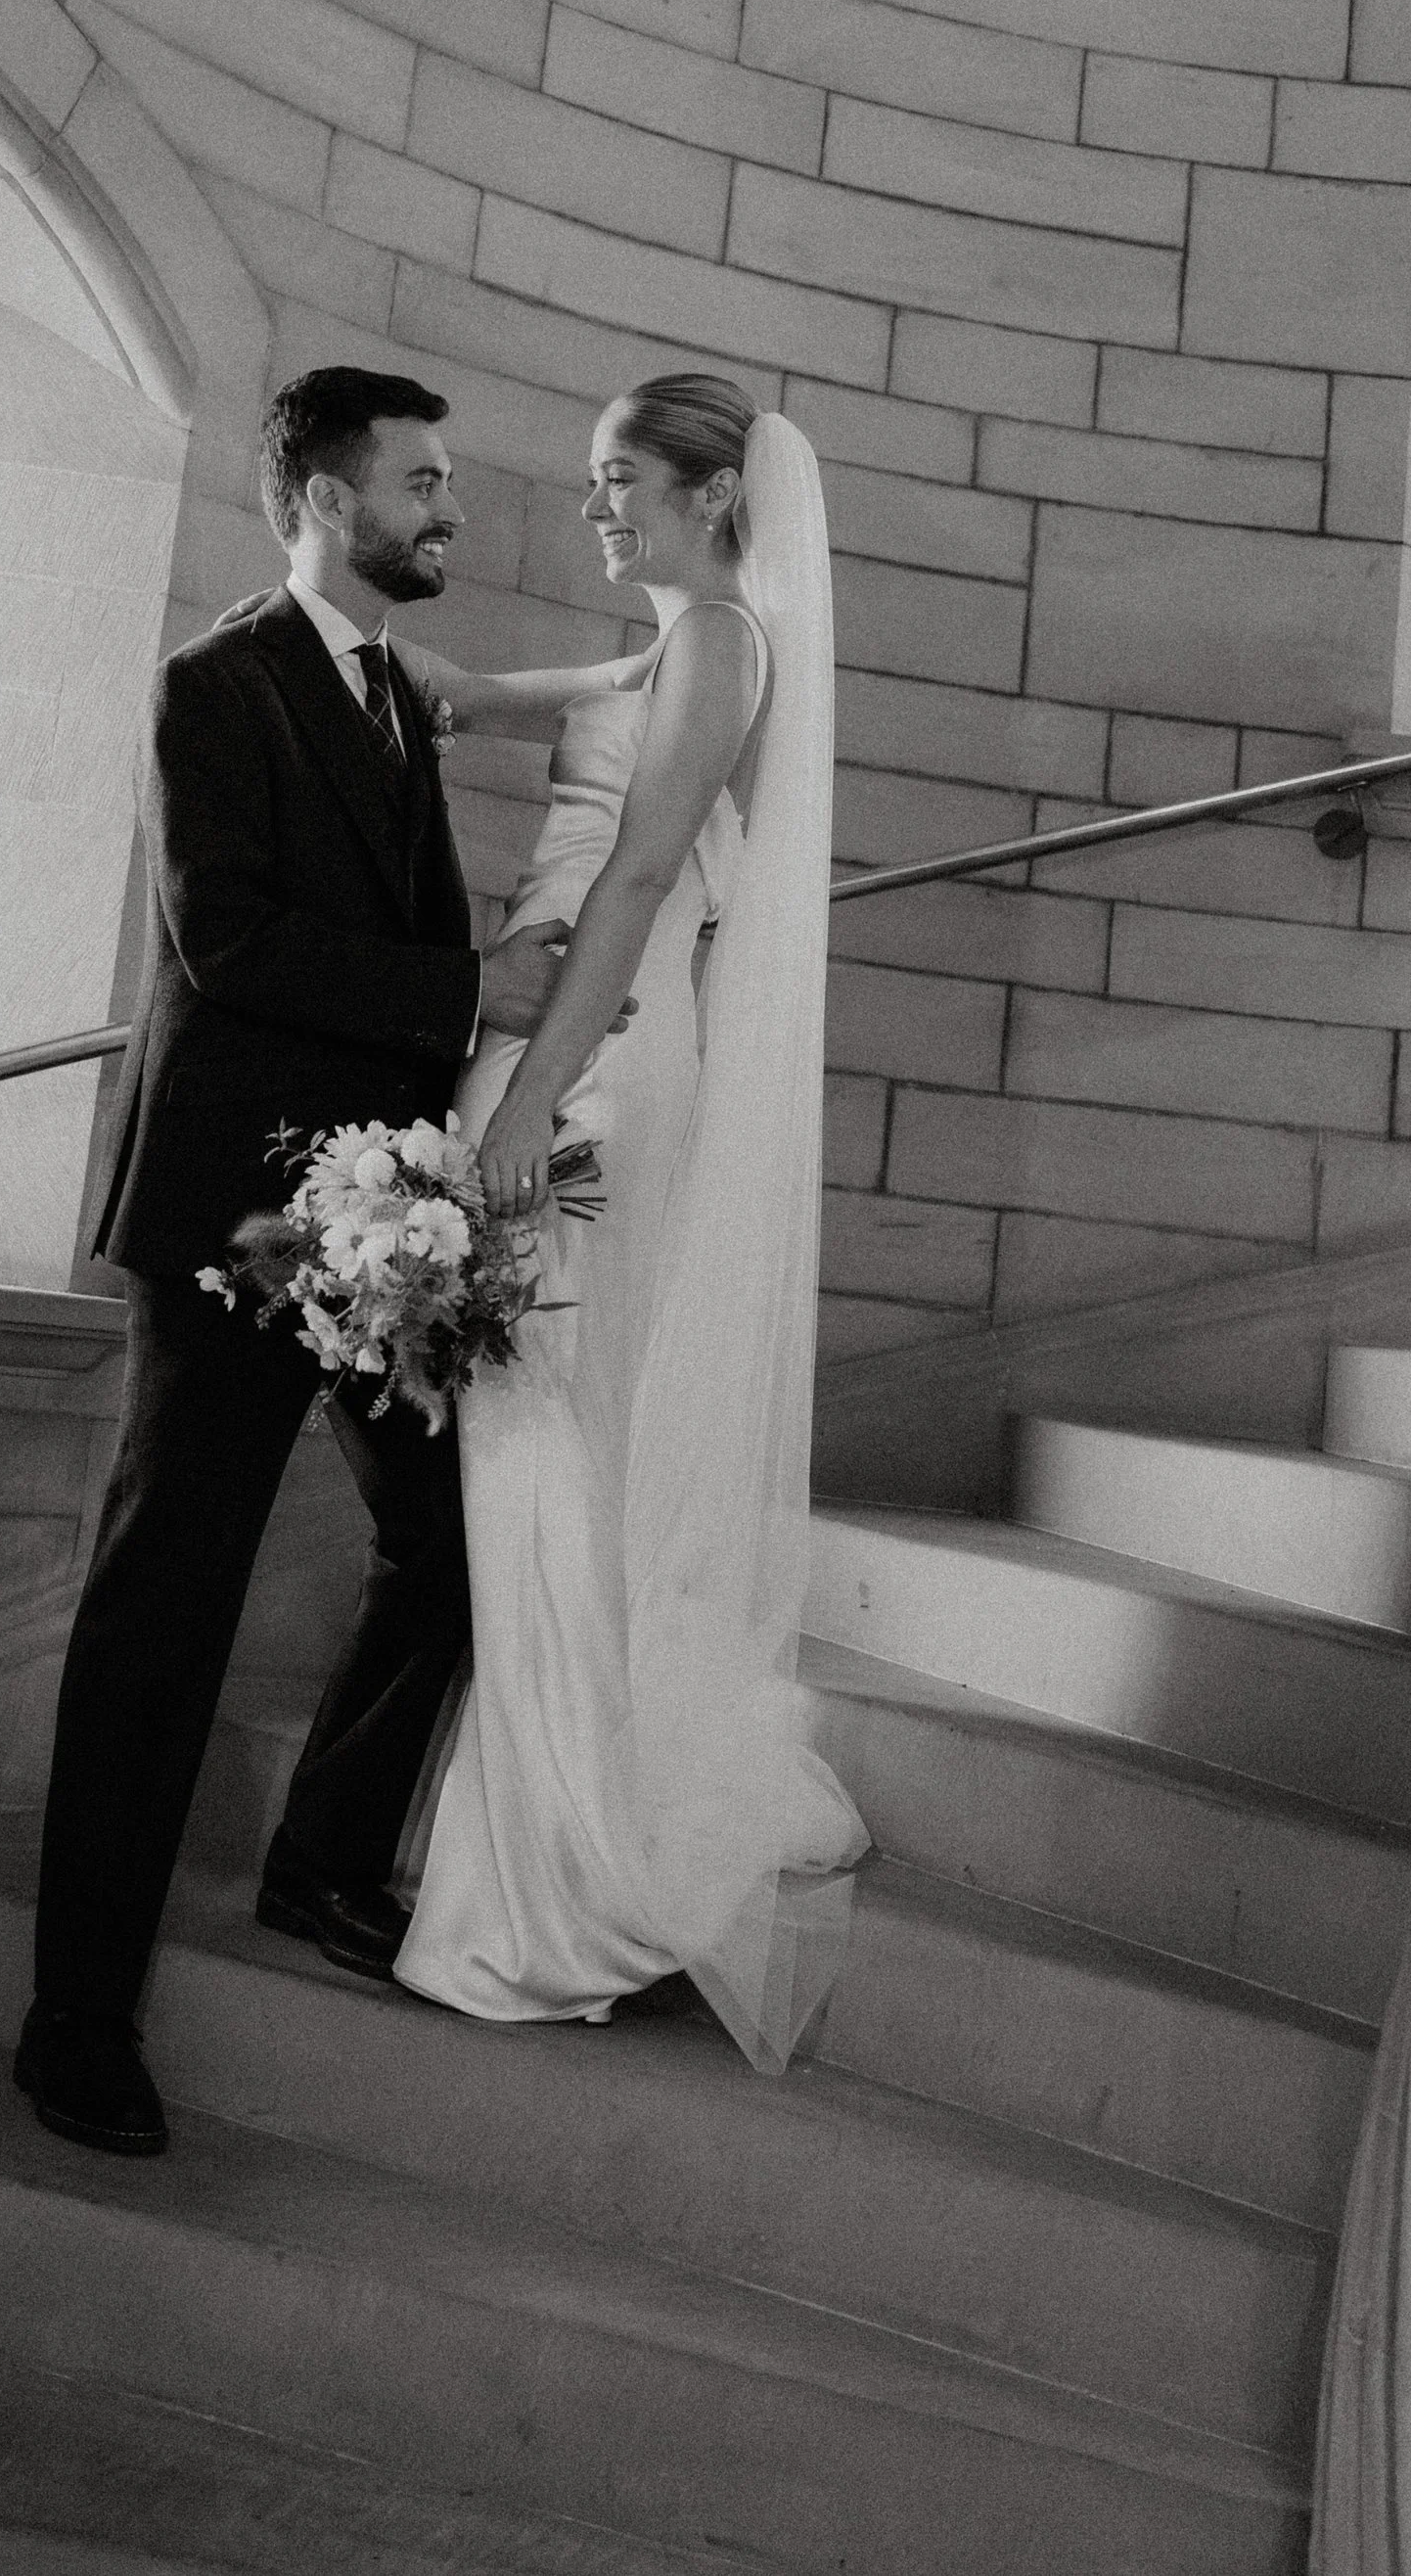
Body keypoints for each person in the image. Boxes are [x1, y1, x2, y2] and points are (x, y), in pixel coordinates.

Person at [17, 368, 645, 2158]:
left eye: (446, 480)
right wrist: (474, 994)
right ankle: (75, 2019)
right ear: (318, 499)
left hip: (383, 1229)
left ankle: (317, 1864)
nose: (450, 508)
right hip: (232, 1226)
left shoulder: (388, 694)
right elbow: (224, 937)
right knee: (165, 1607)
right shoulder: (210, 686)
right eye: (421, 481)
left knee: (455, 1548)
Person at [392, 372, 871, 2067]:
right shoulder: (670, 642)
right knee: (531, 1445)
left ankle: (566, 1886)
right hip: (560, 1039)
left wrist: (528, 1098)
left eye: (619, 480)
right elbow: (497, 694)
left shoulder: (724, 647)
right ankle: (537, 1840)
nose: (593, 505)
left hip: (594, 1057)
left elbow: (640, 878)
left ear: (713, 494)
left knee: (536, 1445)